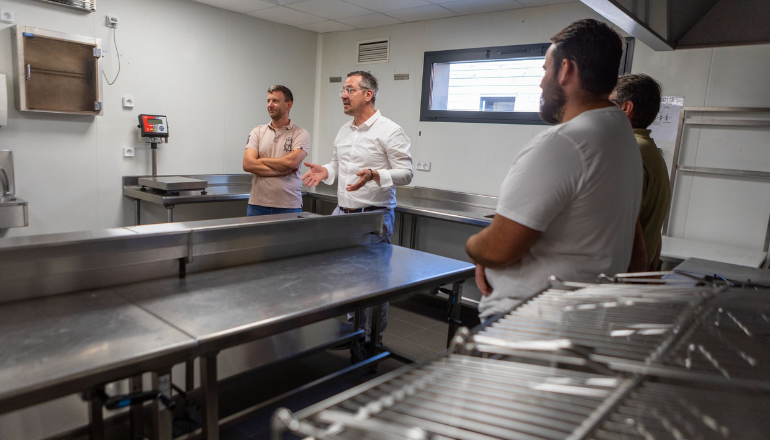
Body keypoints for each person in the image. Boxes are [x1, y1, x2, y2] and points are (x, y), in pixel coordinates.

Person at [465, 19, 643, 322]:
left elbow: (498, 249)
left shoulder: (564, 142)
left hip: (527, 321)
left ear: (565, 71)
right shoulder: (620, 135)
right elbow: (634, 240)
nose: (541, 81)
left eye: (545, 69)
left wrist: (475, 249)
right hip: (584, 317)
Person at [302, 70, 413, 339]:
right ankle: (354, 336)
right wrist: (326, 171)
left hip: (373, 219)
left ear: (368, 94)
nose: (343, 95)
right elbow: (339, 164)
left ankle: (372, 341)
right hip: (342, 215)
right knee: (347, 282)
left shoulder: (390, 131)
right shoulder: (344, 130)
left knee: (373, 286)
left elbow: (407, 173)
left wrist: (376, 174)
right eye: (343, 89)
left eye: (349, 89)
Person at [612, 74, 672, 271]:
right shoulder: (651, 151)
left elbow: (628, 227)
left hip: (622, 277)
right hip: (639, 273)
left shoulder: (628, 150)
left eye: (608, 103)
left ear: (625, 108)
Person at [242, 85, 310, 216]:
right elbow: (248, 164)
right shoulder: (257, 132)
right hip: (257, 205)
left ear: (288, 105)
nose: (270, 105)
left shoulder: (300, 134)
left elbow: (291, 163)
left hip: (288, 205)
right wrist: (281, 172)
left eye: (275, 101)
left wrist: (261, 160)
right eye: (268, 101)